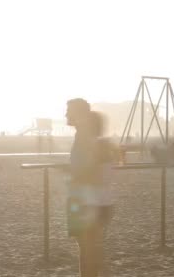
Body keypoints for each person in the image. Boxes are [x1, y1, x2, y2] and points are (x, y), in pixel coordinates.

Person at [64, 98, 113, 277]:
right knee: (90, 249)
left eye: (69, 111)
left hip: (86, 201)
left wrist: (74, 176)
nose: (66, 114)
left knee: (87, 249)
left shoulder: (85, 137)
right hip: (97, 200)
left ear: (79, 114)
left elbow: (93, 170)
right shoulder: (92, 136)